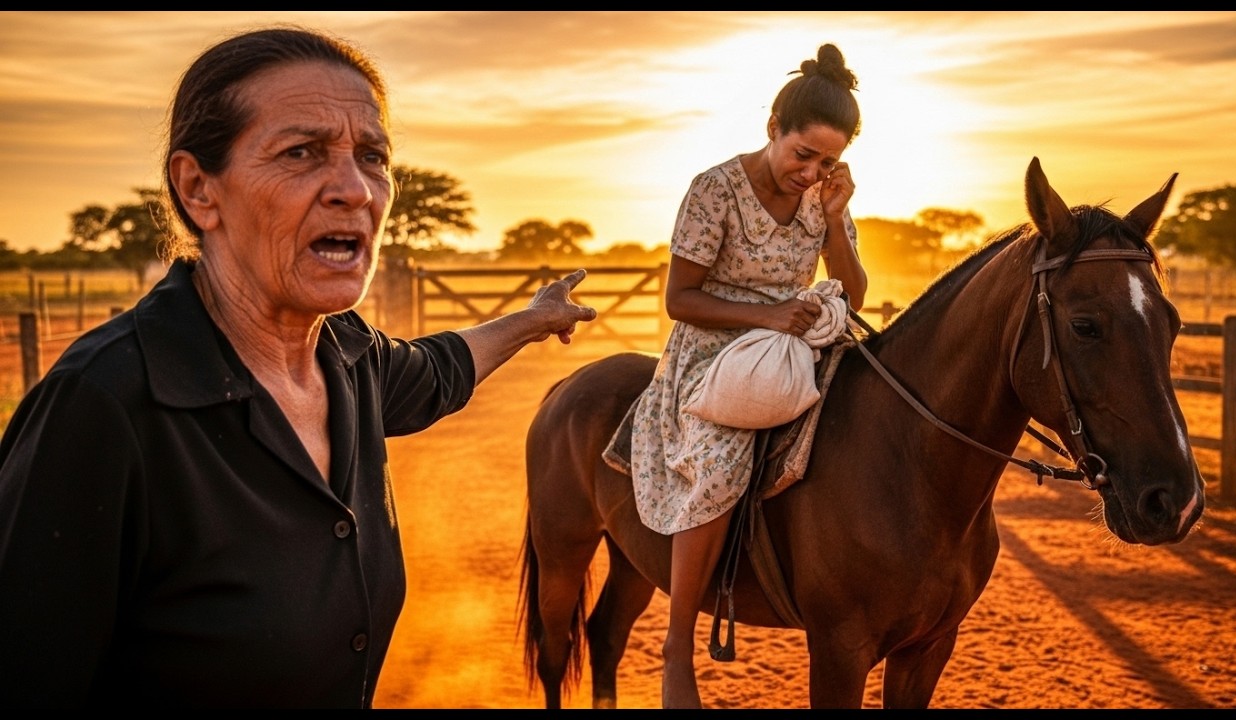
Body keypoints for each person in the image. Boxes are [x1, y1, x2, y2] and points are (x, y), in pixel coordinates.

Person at [0, 26, 596, 708]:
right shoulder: (104, 406)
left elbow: (441, 369)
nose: (355, 190)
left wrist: (536, 318)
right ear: (199, 190)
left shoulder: (347, 357)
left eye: (372, 157)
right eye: (301, 152)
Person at [628, 43, 868, 709]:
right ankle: (678, 646)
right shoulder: (714, 190)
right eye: (802, 155)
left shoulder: (822, 198)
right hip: (712, 357)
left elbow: (855, 289)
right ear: (774, 130)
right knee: (723, 458)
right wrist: (766, 316)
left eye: (826, 161)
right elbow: (680, 299)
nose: (810, 172)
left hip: (796, 345)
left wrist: (838, 219)